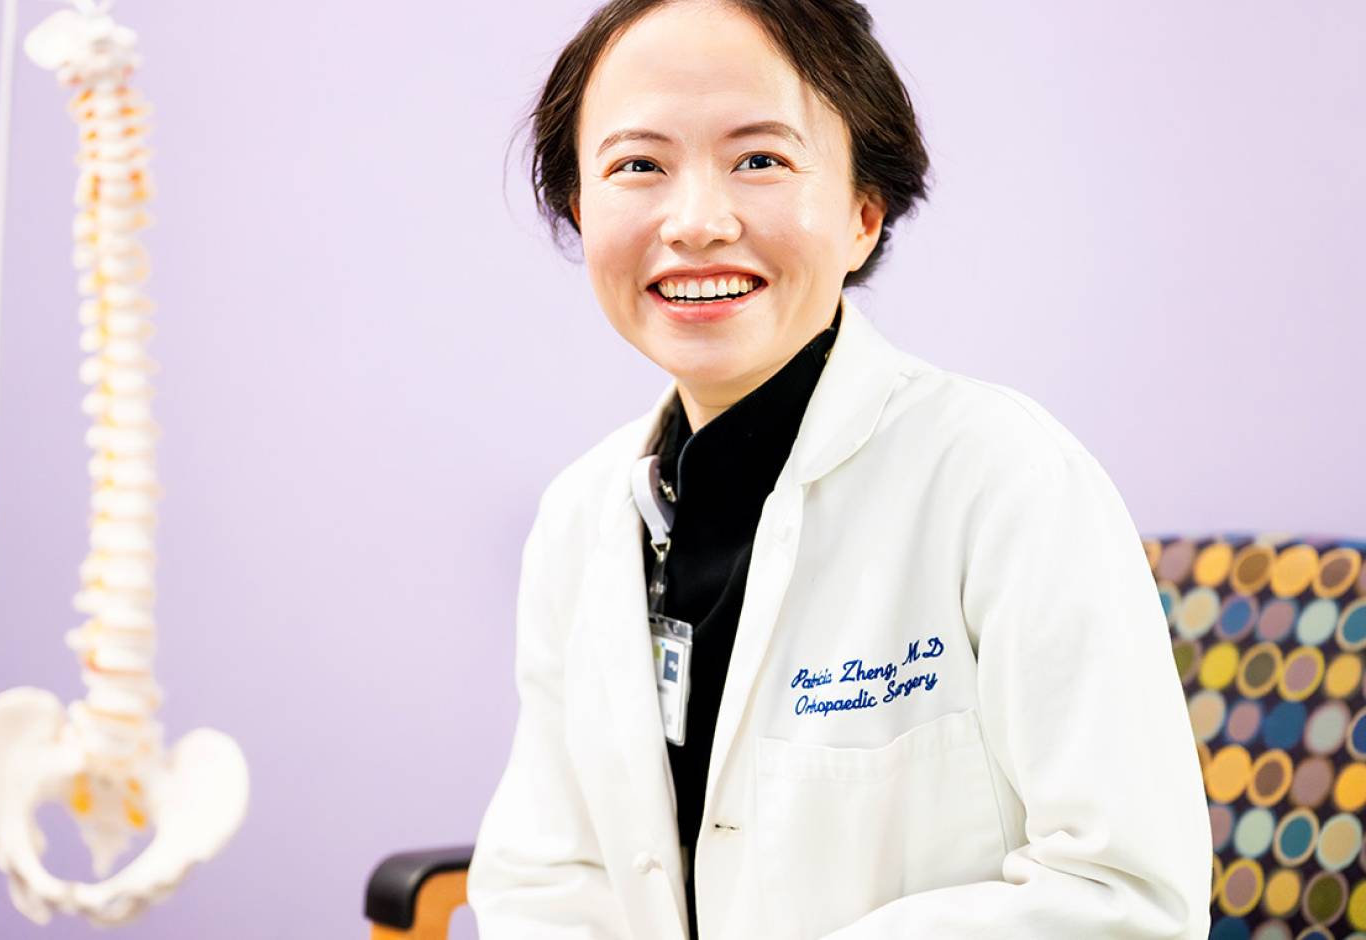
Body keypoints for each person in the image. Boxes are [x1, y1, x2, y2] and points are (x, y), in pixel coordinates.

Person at [468, 1, 1213, 938]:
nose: (696, 222)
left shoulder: (1004, 479)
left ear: (865, 211)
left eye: (761, 159)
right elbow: (546, 881)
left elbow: (1124, 895)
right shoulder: (580, 517)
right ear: (581, 208)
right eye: (638, 166)